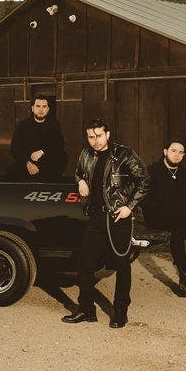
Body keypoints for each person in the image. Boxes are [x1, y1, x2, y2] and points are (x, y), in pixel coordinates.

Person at [62, 119, 149, 328]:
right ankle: (86, 310)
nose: (95, 141)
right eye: (91, 137)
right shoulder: (86, 154)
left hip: (118, 217)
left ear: (107, 135)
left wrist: (129, 207)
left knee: (122, 265)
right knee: (84, 262)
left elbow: (144, 180)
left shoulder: (124, 154)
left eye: (99, 136)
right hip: (96, 217)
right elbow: (79, 172)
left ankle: (120, 312)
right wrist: (80, 181)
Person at [142, 138, 186, 296]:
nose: (177, 155)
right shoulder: (152, 171)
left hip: (180, 216)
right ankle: (185, 278)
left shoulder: (185, 174)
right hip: (157, 216)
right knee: (178, 231)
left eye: (181, 152)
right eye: (173, 151)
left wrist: (182, 211)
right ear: (165, 152)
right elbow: (145, 198)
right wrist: (167, 211)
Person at [8, 95, 67, 181]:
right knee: (11, 171)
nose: (41, 109)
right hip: (27, 164)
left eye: (44, 106)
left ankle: (48, 183)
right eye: (38, 106)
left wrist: (42, 152)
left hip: (47, 165)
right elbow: (14, 149)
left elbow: (60, 145)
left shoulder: (54, 125)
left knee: (63, 156)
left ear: (48, 109)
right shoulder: (22, 125)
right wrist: (27, 163)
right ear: (32, 108)